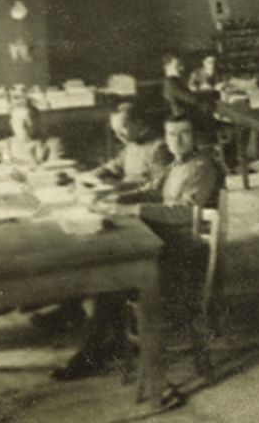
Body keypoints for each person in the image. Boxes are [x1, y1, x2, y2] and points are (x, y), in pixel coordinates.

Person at [54, 114, 223, 381]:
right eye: (171, 135)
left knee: (109, 276)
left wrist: (131, 208)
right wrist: (113, 197)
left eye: (184, 134)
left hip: (182, 257)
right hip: (166, 243)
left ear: (195, 136)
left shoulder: (201, 167)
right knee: (106, 266)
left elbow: (186, 212)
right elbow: (152, 190)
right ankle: (108, 340)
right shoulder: (178, 163)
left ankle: (95, 351)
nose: (177, 141)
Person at [0, 100, 65, 186]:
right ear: (11, 124)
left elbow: (55, 172)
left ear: (37, 121)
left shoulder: (51, 144)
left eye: (27, 119)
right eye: (17, 121)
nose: (22, 125)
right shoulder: (0, 146)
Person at [90, 102, 172, 189]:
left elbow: (157, 185)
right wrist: (91, 176)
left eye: (123, 127)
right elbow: (114, 167)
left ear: (138, 122)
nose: (118, 135)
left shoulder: (160, 147)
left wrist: (119, 185)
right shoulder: (131, 144)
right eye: (115, 130)